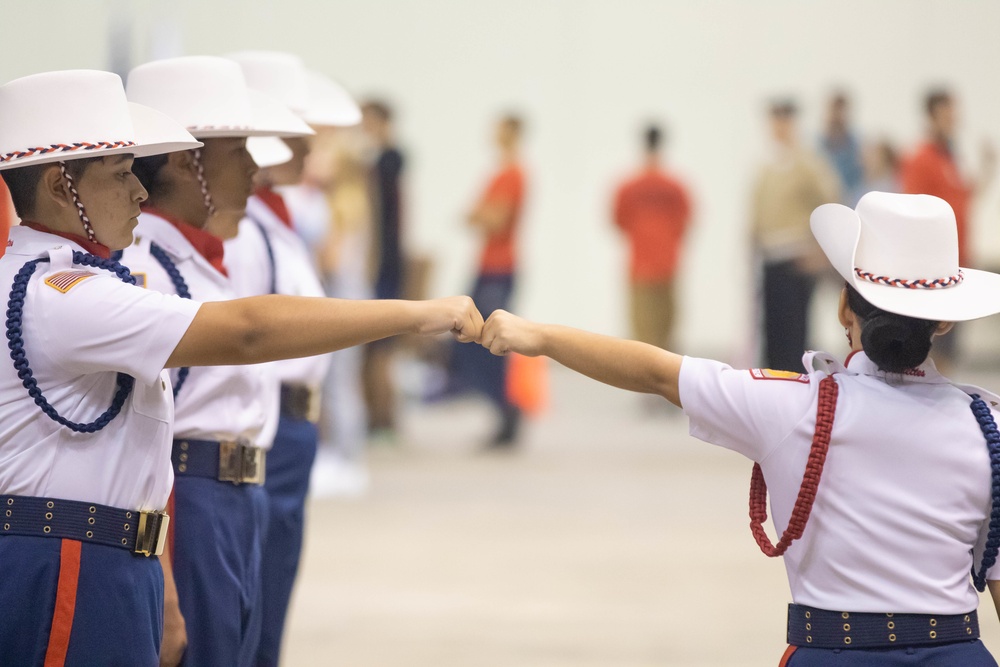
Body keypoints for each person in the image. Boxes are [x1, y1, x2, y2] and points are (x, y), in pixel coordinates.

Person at [0, 69, 482, 667]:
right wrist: (413, 315)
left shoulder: (78, 283)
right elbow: (247, 331)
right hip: (68, 552)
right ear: (56, 184)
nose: (139, 193)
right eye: (121, 174)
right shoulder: (62, 295)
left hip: (107, 545)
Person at [479, 191, 1000, 665]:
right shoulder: (989, 428)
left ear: (845, 306)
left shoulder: (793, 407)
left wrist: (538, 335)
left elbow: (657, 371)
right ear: (945, 321)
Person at [121, 55, 315, 666]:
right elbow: (141, 441)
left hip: (233, 493)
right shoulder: (148, 267)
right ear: (186, 160)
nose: (255, 167)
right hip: (192, 500)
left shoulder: (198, 259)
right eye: (238, 151)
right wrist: (168, 584)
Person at [226, 50, 367, 667]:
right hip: (267, 423)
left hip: (288, 426)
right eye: (294, 131)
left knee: (269, 606)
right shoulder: (242, 226)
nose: (309, 147)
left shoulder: (274, 218)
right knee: (249, 618)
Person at [901, 88, 996, 371]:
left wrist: (989, 167)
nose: (953, 119)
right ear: (932, 116)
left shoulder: (950, 158)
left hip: (959, 262)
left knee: (951, 346)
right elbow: (915, 211)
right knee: (936, 346)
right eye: (947, 113)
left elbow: (967, 197)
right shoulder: (921, 158)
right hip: (936, 267)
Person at [450, 113, 527, 446]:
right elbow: (474, 215)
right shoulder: (501, 174)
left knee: (490, 342)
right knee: (473, 341)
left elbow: (493, 219)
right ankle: (502, 410)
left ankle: (508, 411)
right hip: (488, 265)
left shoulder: (513, 174)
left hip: (499, 267)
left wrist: (479, 214)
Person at [751, 99, 841, 373]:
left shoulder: (807, 164)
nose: (779, 127)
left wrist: (820, 251)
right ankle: (772, 381)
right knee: (771, 329)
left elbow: (831, 202)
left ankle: (797, 383)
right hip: (770, 257)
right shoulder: (767, 166)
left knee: (794, 331)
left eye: (784, 121)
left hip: (796, 257)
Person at [612, 123, 692, 357]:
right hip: (667, 263)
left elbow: (619, 220)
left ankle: (646, 375)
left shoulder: (629, 187)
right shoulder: (674, 186)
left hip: (642, 265)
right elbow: (684, 221)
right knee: (667, 324)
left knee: (644, 327)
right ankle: (668, 376)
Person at [361, 99, 405, 440]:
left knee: (381, 348)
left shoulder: (387, 161)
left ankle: (385, 420)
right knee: (378, 349)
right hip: (384, 257)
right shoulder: (380, 161)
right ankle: (381, 418)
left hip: (384, 261)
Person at [819, 91, 864, 206]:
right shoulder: (817, 145)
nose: (837, 116)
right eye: (834, 110)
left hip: (850, 204)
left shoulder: (857, 145)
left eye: (841, 110)